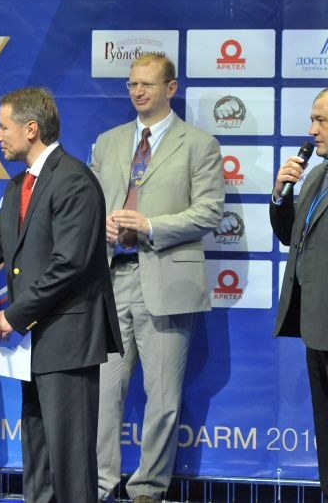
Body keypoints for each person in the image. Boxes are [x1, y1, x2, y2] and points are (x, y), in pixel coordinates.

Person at [0, 87, 121, 503]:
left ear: (31, 129)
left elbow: (69, 264)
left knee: (70, 460)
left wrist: (14, 314)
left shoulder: (73, 180)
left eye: (3, 127)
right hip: (33, 343)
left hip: (68, 340)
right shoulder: (19, 184)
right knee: (38, 454)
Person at [90, 53, 224, 503]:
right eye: (132, 84)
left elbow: (209, 212)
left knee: (163, 395)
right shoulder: (108, 142)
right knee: (104, 392)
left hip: (166, 279)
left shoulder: (199, 144)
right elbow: (90, 204)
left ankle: (148, 488)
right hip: (112, 280)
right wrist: (101, 225)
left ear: (171, 88)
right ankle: (100, 484)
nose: (137, 91)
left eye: (146, 84)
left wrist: (149, 226)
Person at [271, 87, 328, 497]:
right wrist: (281, 192)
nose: (311, 130)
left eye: (321, 120)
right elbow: (291, 236)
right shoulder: (317, 175)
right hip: (316, 325)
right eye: (312, 119)